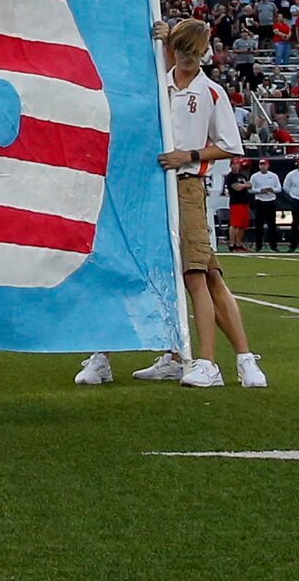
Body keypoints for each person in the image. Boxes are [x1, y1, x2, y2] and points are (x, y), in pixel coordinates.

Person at [87, 19, 264, 388]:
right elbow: (157, 57)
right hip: (145, 184)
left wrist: (189, 155)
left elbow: (230, 145)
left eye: (193, 53)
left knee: (199, 272)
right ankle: (142, 354)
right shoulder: (157, 84)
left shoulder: (211, 91)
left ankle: (220, 361)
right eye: (180, 51)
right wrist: (164, 37)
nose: (186, 58)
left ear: (204, 53)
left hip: (185, 185)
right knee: (130, 264)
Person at [244, 157, 280, 252]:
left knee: (272, 225)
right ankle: (258, 246)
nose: (263, 166)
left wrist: (272, 190)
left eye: (264, 165)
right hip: (260, 201)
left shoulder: (274, 176)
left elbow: (279, 188)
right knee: (259, 225)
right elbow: (250, 189)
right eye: (261, 165)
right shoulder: (255, 176)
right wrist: (260, 191)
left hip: (271, 201)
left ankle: (273, 246)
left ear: (268, 165)